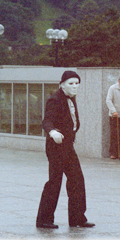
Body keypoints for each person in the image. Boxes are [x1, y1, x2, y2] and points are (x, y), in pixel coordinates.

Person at [36, 71, 95, 229]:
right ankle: (44, 220)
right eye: (71, 83)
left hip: (67, 145)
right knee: (54, 182)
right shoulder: (55, 99)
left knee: (77, 179)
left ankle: (77, 218)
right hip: (56, 146)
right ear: (61, 84)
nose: (75, 86)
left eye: (77, 83)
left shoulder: (70, 98)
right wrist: (52, 131)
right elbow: (47, 120)